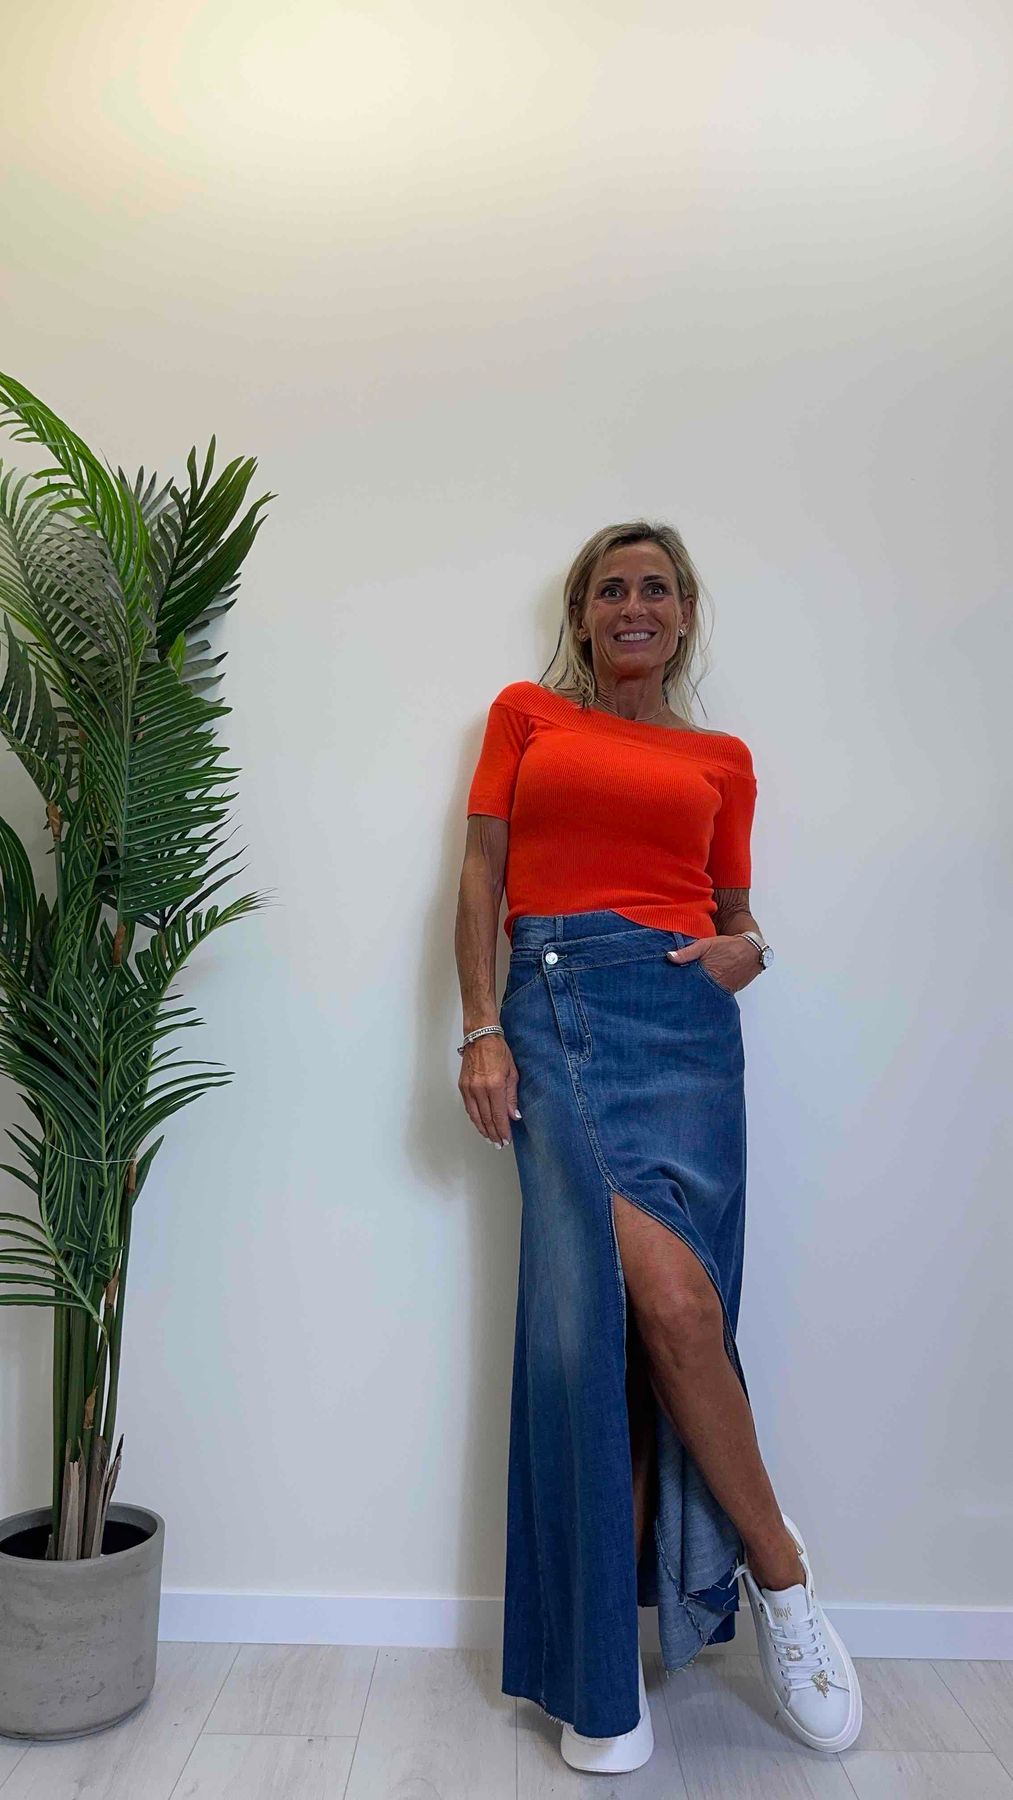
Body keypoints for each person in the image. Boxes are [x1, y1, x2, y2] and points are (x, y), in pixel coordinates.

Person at [454, 521, 862, 1772]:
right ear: (581, 615)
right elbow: (478, 877)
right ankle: (767, 1579)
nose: (631, 605)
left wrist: (752, 949)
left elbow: (735, 914)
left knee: (660, 1332)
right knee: (614, 1327)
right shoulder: (524, 716)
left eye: (655, 588)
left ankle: (706, 1623)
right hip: (555, 1005)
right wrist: (478, 1027)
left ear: (683, 614)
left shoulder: (720, 759)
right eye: (609, 589)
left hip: (685, 1031)